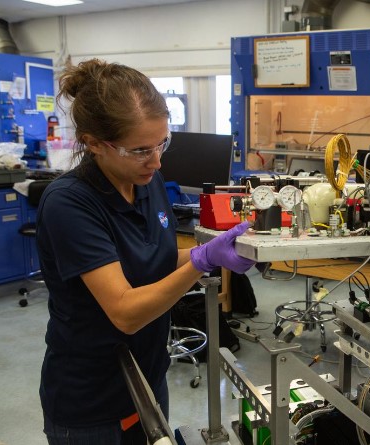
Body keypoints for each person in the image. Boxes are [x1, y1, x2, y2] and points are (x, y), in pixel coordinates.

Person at [37, 58, 255, 444]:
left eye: (162, 143)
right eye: (139, 150)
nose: (156, 161)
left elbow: (154, 259)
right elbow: (125, 312)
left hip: (148, 381)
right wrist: (201, 261)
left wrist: (217, 251)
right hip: (91, 402)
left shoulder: (147, 180)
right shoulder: (70, 203)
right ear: (93, 144)